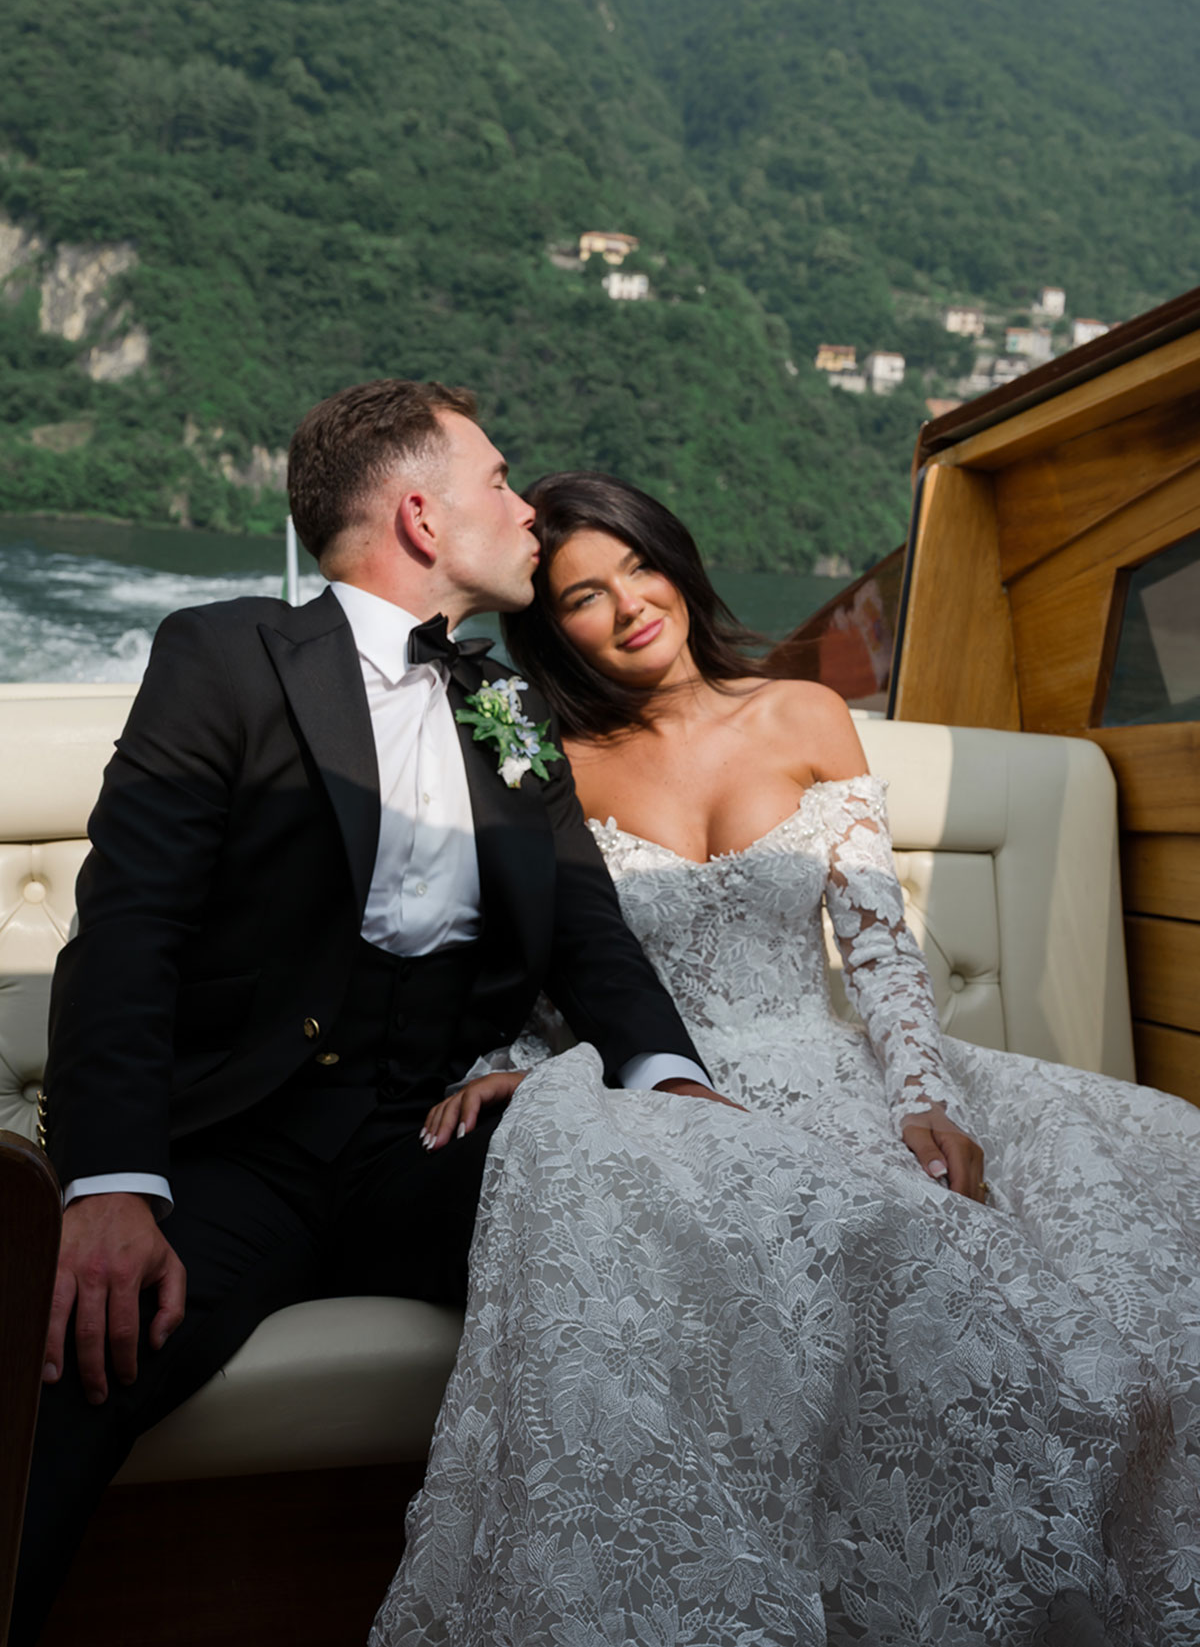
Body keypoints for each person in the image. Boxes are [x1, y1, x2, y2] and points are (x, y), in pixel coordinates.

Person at [371, 471, 1200, 1646]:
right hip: (670, 1103)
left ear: (678, 559)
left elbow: (877, 946)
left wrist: (921, 1095)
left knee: (1117, 1298)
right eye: (583, 596)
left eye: (639, 566)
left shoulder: (805, 712)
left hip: (832, 1073)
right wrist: (514, 1055)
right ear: (551, 628)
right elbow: (546, 956)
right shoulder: (547, 756)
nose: (628, 606)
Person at [12, 392, 723, 1646]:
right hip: (235, 1153)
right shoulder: (223, 655)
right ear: (419, 514)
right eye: (499, 481)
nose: (528, 510)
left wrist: (668, 1081)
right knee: (70, 1362)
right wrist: (110, 1182)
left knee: (668, 1261)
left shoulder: (507, 707)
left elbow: (591, 933)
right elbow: (130, 929)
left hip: (425, 1144)